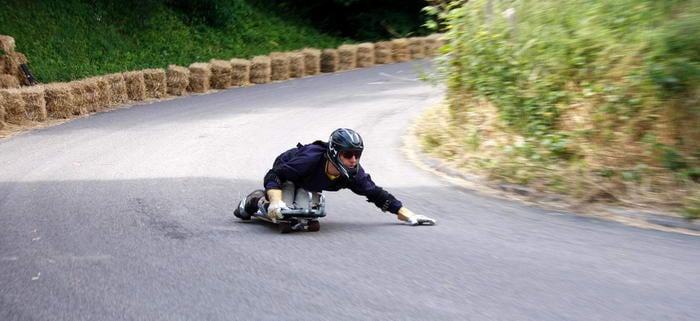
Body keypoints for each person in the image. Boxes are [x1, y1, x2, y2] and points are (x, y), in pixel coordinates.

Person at [234, 128, 436, 226]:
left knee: (305, 216)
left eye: (357, 154)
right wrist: (275, 202)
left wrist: (410, 216)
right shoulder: (310, 159)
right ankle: (254, 201)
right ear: (333, 152)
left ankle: (295, 208)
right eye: (348, 154)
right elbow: (274, 174)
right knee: (282, 212)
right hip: (288, 172)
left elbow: (377, 194)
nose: (353, 160)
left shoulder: (353, 173)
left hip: (308, 184)